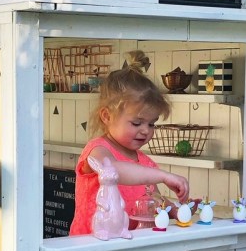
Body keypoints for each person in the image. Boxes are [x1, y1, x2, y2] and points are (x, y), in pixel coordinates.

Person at [69, 61, 190, 236]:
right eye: (136, 123)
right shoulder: (98, 150)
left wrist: (177, 210)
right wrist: (164, 176)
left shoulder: (145, 162)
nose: (145, 130)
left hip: (131, 244)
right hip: (91, 245)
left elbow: (155, 200)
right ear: (107, 116)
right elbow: (111, 170)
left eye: (152, 124)